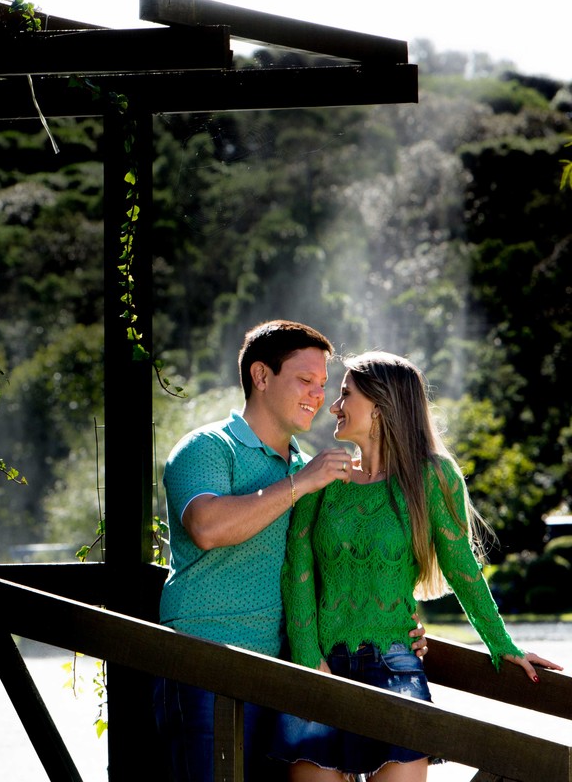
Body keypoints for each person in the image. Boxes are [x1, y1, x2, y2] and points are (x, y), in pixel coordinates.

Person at [153, 321, 426, 781]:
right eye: (305, 380)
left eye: (323, 384)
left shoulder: (310, 469)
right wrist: (300, 484)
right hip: (204, 669)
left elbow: (333, 572)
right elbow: (206, 526)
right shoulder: (207, 447)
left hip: (287, 680)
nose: (319, 396)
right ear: (261, 376)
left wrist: (396, 624)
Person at [275, 351, 564, 780]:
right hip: (322, 666)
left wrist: (502, 644)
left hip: (395, 668)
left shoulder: (431, 477)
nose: (333, 407)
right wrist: (307, 659)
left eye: (345, 394)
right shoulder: (322, 477)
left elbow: (463, 569)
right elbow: (296, 571)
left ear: (379, 405)